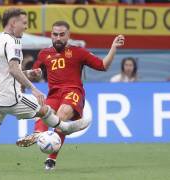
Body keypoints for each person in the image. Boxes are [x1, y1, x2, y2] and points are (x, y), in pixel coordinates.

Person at [0, 8, 89, 175]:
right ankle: (65, 128)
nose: (26, 27)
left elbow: (6, 71)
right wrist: (34, 88)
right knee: (45, 110)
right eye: (23, 23)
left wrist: (29, 73)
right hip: (10, 97)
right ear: (13, 23)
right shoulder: (13, 42)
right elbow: (14, 70)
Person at [16, 20, 125, 170]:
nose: (58, 38)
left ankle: (43, 140)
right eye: (55, 34)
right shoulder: (44, 54)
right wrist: (27, 74)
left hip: (73, 91)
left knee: (59, 117)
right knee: (46, 114)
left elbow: (103, 66)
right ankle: (48, 147)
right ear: (51, 35)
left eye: (62, 35)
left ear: (68, 35)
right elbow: (36, 73)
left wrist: (113, 47)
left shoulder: (78, 52)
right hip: (53, 94)